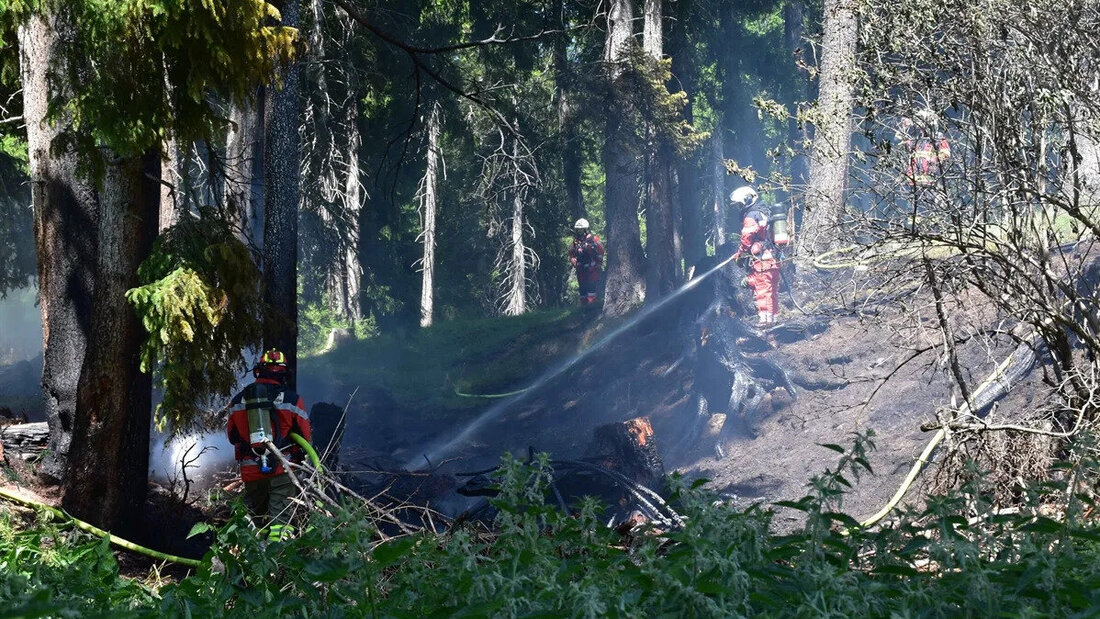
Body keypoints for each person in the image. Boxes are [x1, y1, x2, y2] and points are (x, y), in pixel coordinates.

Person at [226, 348, 312, 542]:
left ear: (259, 370)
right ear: (284, 373)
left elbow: (232, 437)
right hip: (282, 467)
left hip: (251, 469)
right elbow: (305, 436)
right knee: (280, 521)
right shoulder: (292, 399)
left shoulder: (238, 400)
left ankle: (250, 552)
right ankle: (277, 554)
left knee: (254, 518)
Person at [729, 186, 780, 328]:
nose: (739, 208)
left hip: (762, 260)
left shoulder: (751, 216)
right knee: (772, 290)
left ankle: (765, 321)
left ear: (746, 200)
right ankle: (773, 318)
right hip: (774, 257)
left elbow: (746, 238)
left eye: (739, 204)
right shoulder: (763, 212)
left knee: (762, 290)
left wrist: (740, 254)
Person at [899, 109, 951, 189]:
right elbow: (906, 145)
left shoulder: (938, 139)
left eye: (923, 125)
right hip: (914, 183)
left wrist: (936, 165)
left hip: (931, 183)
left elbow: (945, 155)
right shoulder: (918, 140)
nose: (921, 128)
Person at [569, 218, 605, 307]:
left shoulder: (594, 239)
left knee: (591, 287)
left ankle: (592, 306)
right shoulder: (576, 241)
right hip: (580, 268)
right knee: (583, 288)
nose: (579, 231)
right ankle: (584, 308)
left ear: (585, 229)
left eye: (581, 229)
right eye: (578, 229)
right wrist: (573, 261)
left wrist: (597, 263)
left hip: (592, 267)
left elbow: (601, 250)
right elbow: (571, 252)